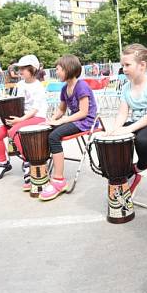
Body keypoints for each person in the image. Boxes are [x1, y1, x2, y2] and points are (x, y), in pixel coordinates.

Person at [108, 43, 147, 195]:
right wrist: (114, 130)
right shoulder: (126, 87)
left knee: (143, 140)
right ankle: (124, 172)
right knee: (115, 140)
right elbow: (122, 114)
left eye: (127, 65)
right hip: (137, 123)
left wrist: (127, 129)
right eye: (122, 65)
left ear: (142, 65)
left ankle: (141, 165)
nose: (124, 69)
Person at [45, 55, 98, 200]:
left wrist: (62, 121)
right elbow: (61, 110)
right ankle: (42, 170)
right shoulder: (64, 89)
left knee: (54, 136)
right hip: (75, 120)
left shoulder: (81, 86)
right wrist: (51, 120)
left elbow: (84, 112)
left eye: (58, 69)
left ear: (68, 69)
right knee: (47, 131)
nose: (56, 72)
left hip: (87, 121)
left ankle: (58, 179)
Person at [0, 55, 48, 186]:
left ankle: (29, 162)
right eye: (19, 68)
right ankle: (3, 163)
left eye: (23, 68)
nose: (20, 71)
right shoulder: (20, 84)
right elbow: (17, 103)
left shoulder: (38, 86)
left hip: (37, 117)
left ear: (33, 69)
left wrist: (19, 120)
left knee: (14, 131)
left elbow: (35, 109)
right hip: (21, 117)